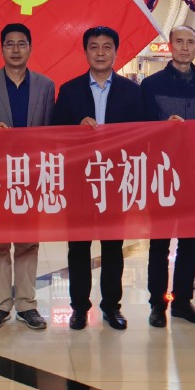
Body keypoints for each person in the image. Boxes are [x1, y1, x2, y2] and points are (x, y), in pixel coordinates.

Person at [53, 25, 145, 331]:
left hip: (115, 180)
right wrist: (75, 129)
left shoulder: (132, 91)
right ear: (86, 52)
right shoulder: (69, 90)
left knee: (112, 247)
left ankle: (111, 307)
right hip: (80, 180)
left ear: (116, 52)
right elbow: (55, 133)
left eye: (107, 47)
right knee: (78, 247)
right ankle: (79, 307)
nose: (101, 53)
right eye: (94, 47)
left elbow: (142, 136)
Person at [0, 23, 54, 331]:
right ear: (1, 48)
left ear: (30, 48)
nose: (16, 49)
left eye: (21, 43)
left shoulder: (46, 85)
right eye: (10, 44)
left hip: (31, 174)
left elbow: (52, 129)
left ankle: (27, 304)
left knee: (28, 242)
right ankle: (0, 304)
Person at [140, 25, 195, 329]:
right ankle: (157, 303)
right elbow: (138, 130)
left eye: (190, 42)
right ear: (170, 46)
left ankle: (182, 301)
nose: (184, 47)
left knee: (191, 243)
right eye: (179, 41)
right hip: (162, 175)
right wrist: (161, 126)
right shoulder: (150, 85)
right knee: (159, 244)